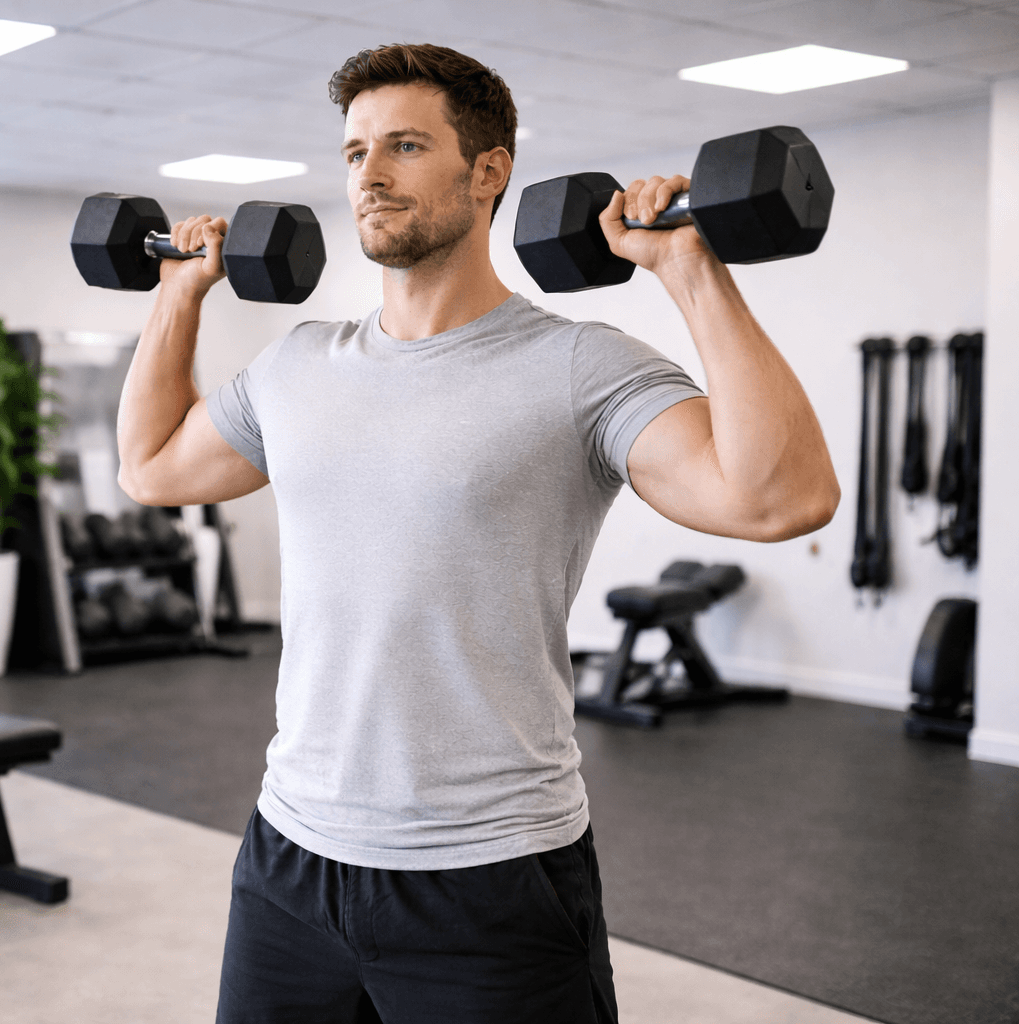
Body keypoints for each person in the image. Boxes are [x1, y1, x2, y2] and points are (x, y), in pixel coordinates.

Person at [115, 43, 838, 1024]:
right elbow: (151, 465)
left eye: (405, 146)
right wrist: (179, 293)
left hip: (490, 873)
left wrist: (689, 269)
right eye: (355, 150)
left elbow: (777, 497)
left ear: (488, 171)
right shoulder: (298, 365)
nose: (369, 174)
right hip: (291, 857)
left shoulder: (577, 365)